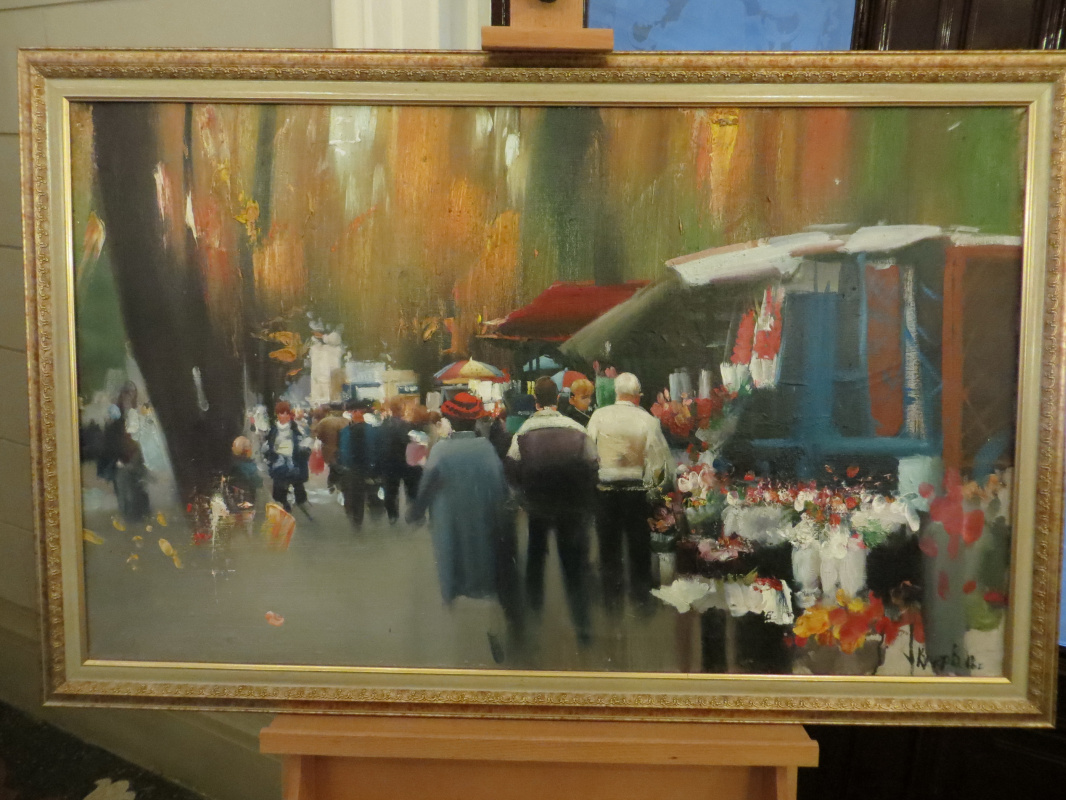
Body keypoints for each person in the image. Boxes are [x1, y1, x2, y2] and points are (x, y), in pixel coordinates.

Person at [407, 392, 523, 659]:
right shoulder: (486, 449)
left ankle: (456, 641)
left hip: (450, 521)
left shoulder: (441, 450)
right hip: (483, 520)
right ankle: (492, 629)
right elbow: (502, 488)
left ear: (450, 420)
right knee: (485, 569)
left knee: (454, 566)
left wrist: (415, 513)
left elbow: (427, 487)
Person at [505, 377, 597, 645]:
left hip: (538, 505)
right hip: (571, 506)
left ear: (536, 400)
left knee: (535, 559)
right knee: (573, 566)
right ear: (557, 398)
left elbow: (511, 467)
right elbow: (593, 464)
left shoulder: (523, 432)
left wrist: (524, 494)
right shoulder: (577, 429)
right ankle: (583, 628)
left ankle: (533, 620)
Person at [586, 372, 674, 616]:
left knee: (608, 547)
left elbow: (587, 453)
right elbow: (660, 463)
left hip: (605, 491)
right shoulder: (648, 420)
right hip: (636, 492)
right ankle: (641, 601)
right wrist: (654, 491)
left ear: (616, 392)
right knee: (638, 547)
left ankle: (611, 602)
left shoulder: (599, 416)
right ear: (637, 396)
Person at [263, 400, 312, 516]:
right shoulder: (273, 430)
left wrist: (304, 450)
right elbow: (267, 445)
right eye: (281, 413)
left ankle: (300, 503)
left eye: (287, 413)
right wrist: (270, 457)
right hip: (279, 461)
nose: (284, 416)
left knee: (297, 483)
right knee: (279, 487)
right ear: (277, 415)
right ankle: (284, 505)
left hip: (293, 460)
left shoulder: (296, 428)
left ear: (290, 415)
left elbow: (305, 442)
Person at [378, 396, 420, 523]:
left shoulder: (383, 426)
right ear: (402, 409)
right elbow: (412, 444)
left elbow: (378, 445)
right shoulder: (408, 426)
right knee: (411, 489)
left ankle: (393, 516)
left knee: (390, 491)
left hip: (389, 463)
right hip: (406, 462)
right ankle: (412, 515)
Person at [337, 399, 371, 528]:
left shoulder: (365, 429)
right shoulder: (346, 429)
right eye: (350, 411)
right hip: (347, 468)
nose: (351, 414)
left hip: (358, 467)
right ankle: (354, 517)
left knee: (357, 496)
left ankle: (357, 521)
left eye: (353, 411)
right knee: (349, 495)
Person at [311, 401, 350, 493]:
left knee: (333, 466)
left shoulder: (324, 422)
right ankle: (337, 485)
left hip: (328, 450)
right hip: (343, 450)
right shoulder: (347, 421)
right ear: (342, 409)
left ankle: (332, 484)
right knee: (339, 467)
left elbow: (318, 435)